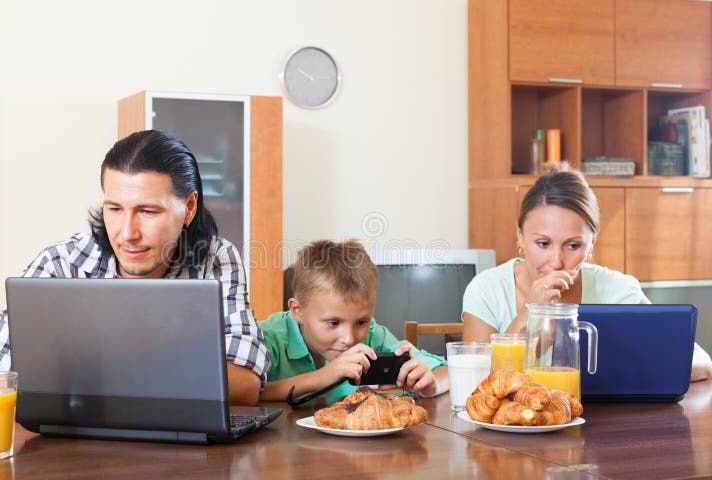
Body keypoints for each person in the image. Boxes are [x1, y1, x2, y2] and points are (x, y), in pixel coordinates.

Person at [0, 129, 268, 421]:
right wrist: (169, 375)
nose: (127, 233)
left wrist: (84, 378)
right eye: (114, 209)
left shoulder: (214, 257)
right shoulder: (62, 265)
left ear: (189, 207)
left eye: (147, 211)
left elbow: (244, 383)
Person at [462, 169, 712, 382]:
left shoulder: (616, 289)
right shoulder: (486, 289)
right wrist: (530, 312)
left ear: (592, 243)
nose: (557, 261)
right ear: (520, 235)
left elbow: (701, 363)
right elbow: (476, 381)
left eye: (573, 246)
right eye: (543, 243)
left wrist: (618, 370)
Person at [258, 240, 449, 402]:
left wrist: (430, 384)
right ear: (297, 311)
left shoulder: (373, 334)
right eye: (333, 323)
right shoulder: (266, 339)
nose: (349, 338)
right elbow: (242, 395)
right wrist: (322, 377)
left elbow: (446, 373)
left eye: (361, 322)